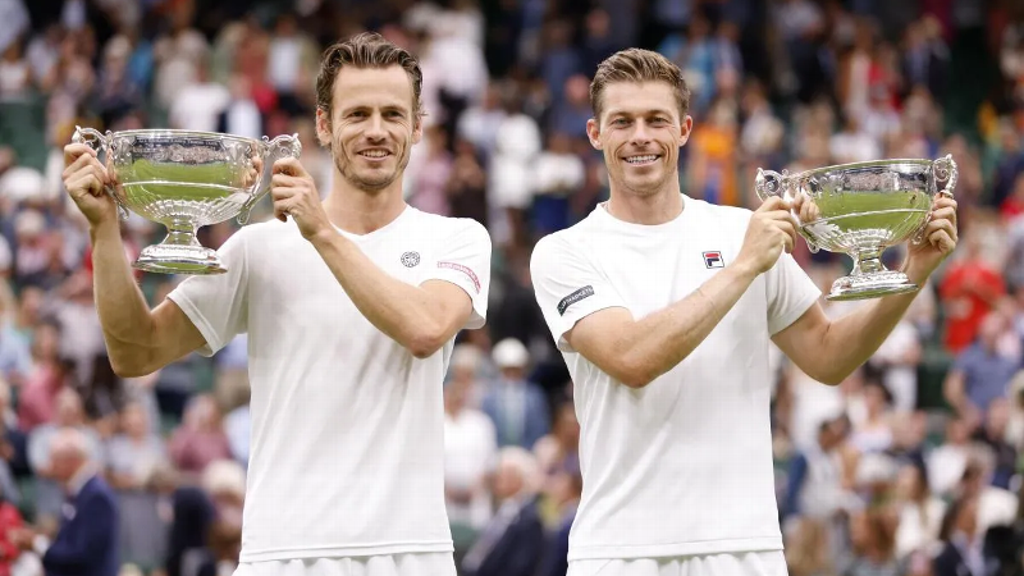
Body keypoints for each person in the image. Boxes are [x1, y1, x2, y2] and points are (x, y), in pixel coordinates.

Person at [61, 32, 492, 576]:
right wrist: (103, 231)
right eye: (357, 113)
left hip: (410, 556)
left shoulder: (456, 238)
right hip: (279, 555)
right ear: (324, 124)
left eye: (393, 113)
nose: (376, 130)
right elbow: (136, 352)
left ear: (418, 126)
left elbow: (425, 328)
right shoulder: (259, 247)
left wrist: (321, 231)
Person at [529, 48, 958, 576]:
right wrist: (741, 267)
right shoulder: (564, 251)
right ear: (596, 134)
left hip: (745, 548)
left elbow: (828, 357)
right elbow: (630, 357)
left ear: (684, 129)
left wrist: (915, 269)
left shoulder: (739, 230)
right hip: (619, 551)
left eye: (656, 120)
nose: (640, 135)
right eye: (623, 121)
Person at [10, 427, 119, 576]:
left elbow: (83, 555)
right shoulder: (79, 491)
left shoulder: (95, 496)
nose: (51, 467)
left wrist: (37, 544)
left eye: (54, 460)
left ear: (71, 461)